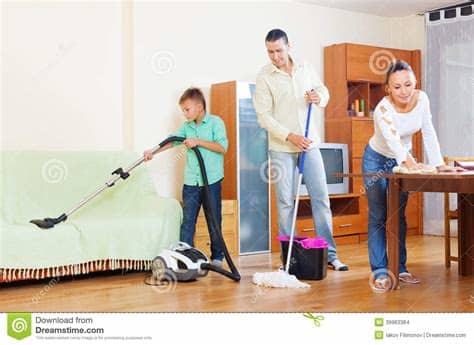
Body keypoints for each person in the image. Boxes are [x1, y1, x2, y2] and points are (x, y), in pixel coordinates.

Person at [362, 60, 464, 290]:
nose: (404, 91)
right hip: (377, 158)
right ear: (388, 88)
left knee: (398, 215)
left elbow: (428, 130)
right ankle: (380, 270)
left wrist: (439, 164)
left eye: (408, 84)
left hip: (404, 155)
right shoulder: (382, 110)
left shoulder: (422, 99)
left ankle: (400, 268)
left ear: (415, 82)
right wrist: (412, 164)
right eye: (397, 87)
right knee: (378, 216)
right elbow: (394, 143)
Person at [253, 29, 348, 271]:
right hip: (282, 147)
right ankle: (289, 258)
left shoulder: (305, 67)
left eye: (279, 51)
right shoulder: (265, 76)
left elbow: (323, 90)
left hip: (310, 144)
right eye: (270, 52)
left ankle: (330, 255)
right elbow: (264, 117)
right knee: (285, 202)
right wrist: (291, 136)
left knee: (321, 199)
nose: (275, 56)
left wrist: (319, 97)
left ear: (289, 46)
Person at [144, 87, 228, 267]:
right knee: (188, 220)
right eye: (182, 110)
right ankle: (186, 258)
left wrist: (198, 142)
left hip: (211, 181)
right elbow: (171, 141)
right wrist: (153, 151)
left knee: (213, 219)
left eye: (187, 109)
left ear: (199, 106)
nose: (184, 113)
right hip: (191, 182)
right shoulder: (186, 127)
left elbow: (222, 147)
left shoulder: (215, 123)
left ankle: (218, 258)